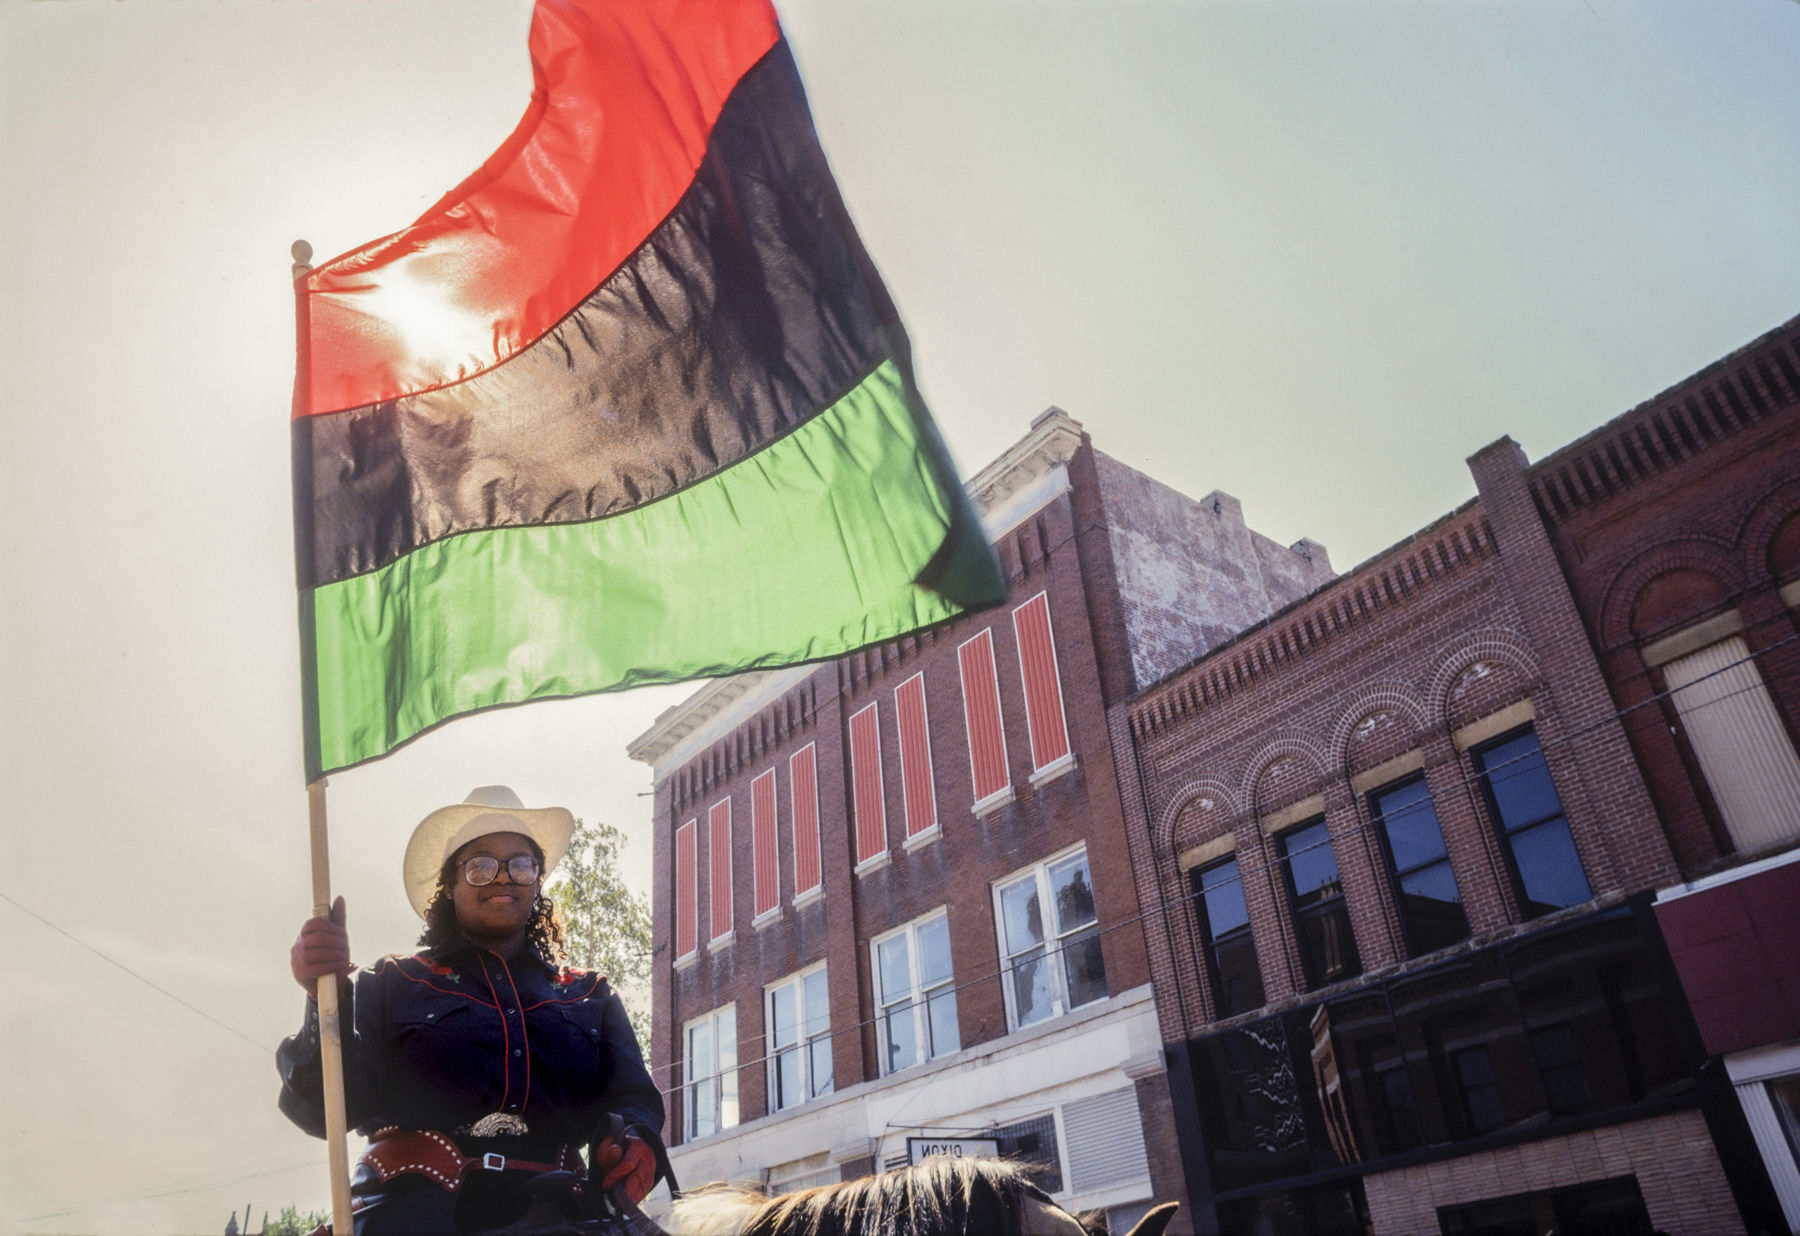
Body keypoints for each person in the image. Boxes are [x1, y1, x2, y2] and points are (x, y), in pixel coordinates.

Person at [279, 786, 668, 1233]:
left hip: (563, 1215)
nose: (503, 877)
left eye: (521, 864)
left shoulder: (588, 993)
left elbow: (634, 1099)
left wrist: (636, 1139)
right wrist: (319, 998)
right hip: (411, 1217)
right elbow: (322, 1112)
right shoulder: (391, 982)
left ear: (538, 879)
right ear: (449, 882)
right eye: (481, 865)